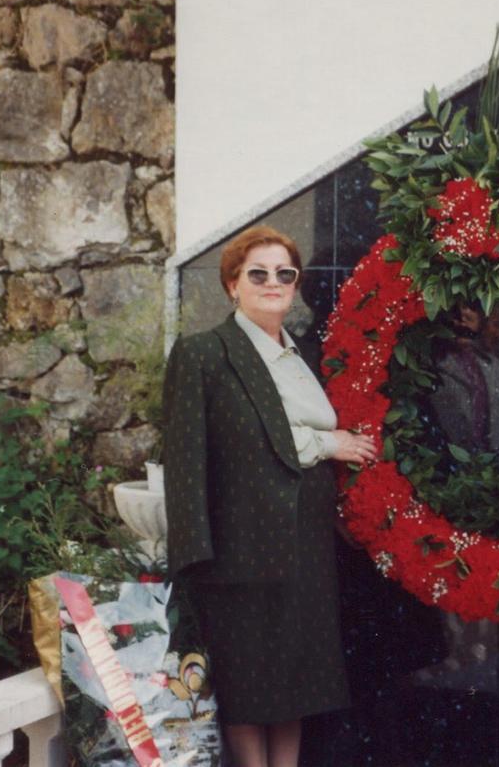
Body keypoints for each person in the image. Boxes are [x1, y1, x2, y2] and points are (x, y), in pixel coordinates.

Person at [162, 225, 377, 767]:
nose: (273, 283)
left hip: (306, 545)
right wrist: (192, 562)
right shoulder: (203, 354)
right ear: (232, 285)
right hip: (239, 551)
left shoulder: (301, 354)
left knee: (295, 683)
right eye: (258, 273)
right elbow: (186, 466)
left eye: (285, 273)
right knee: (248, 687)